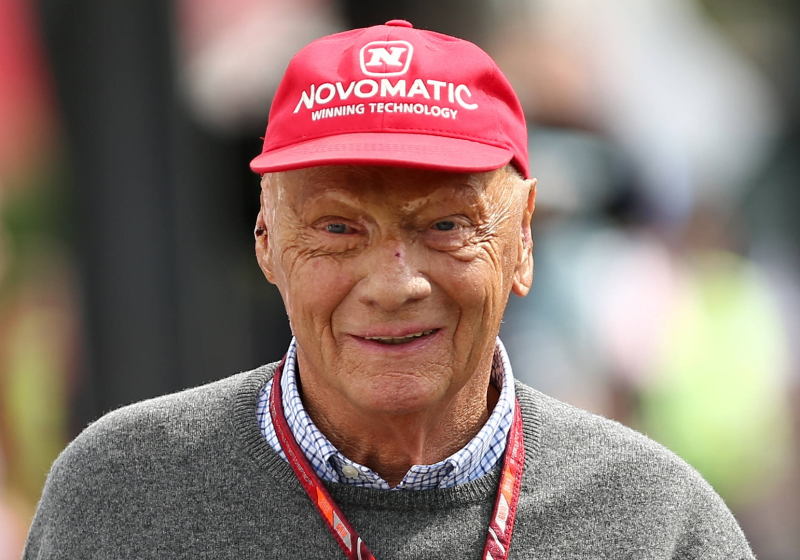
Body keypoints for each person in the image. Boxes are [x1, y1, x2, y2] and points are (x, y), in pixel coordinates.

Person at [23, 20, 754, 559]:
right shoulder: (122, 494)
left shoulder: (660, 525)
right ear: (266, 241)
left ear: (523, 238)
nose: (394, 283)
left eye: (444, 224)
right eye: (338, 229)